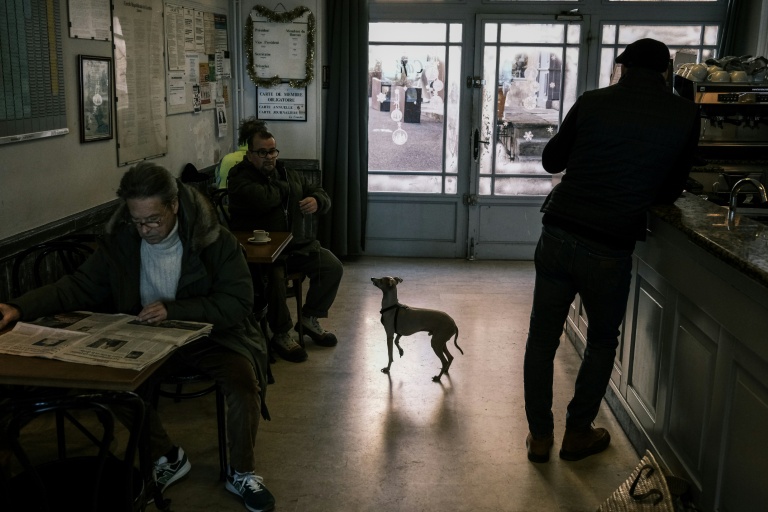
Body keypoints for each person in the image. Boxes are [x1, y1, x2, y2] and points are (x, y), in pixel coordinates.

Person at [0, 162, 275, 512]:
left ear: (174, 205)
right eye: (137, 220)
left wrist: (175, 310)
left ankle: (241, 471)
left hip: (212, 336)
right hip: (146, 335)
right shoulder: (122, 241)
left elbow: (237, 303)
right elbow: (80, 285)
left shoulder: (213, 240)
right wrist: (18, 307)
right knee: (111, 387)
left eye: (153, 220)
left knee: (242, 384)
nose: (145, 230)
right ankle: (168, 456)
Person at [523, 38, 700, 463]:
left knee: (541, 340)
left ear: (622, 66)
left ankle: (541, 438)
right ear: (664, 72)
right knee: (603, 341)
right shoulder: (686, 114)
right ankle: (578, 433)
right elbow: (672, 189)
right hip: (610, 244)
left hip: (560, 231)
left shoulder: (592, 101)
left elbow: (551, 161)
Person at [228, 121, 343, 363]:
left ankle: (309, 319)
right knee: (275, 278)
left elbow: (319, 191)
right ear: (249, 155)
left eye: (272, 151)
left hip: (294, 246)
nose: (269, 157)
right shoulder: (239, 177)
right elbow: (264, 198)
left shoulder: (286, 172)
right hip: (259, 253)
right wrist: (289, 188)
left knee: (331, 265)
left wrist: (316, 200)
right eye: (262, 152)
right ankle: (280, 333)